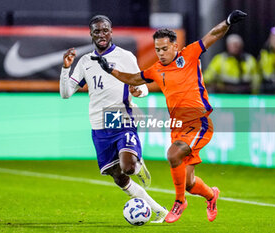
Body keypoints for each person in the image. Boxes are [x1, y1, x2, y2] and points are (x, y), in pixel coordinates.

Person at [91, 10, 247, 223]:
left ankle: (179, 202)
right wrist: (111, 71)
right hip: (178, 127)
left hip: (198, 122)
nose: (161, 53)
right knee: (190, 182)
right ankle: (211, 195)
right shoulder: (156, 69)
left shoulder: (189, 54)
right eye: (157, 50)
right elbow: (136, 78)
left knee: (173, 155)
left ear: (175, 46)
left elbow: (212, 34)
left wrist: (228, 21)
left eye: (165, 48)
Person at [60, 15, 168, 223]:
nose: (102, 34)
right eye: (97, 31)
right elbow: (65, 93)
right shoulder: (85, 61)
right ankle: (159, 210)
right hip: (98, 125)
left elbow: (142, 84)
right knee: (119, 177)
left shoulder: (125, 56)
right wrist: (66, 69)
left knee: (128, 167)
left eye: (105, 30)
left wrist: (139, 91)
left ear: (111, 32)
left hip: (121, 117)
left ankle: (137, 164)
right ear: (91, 34)